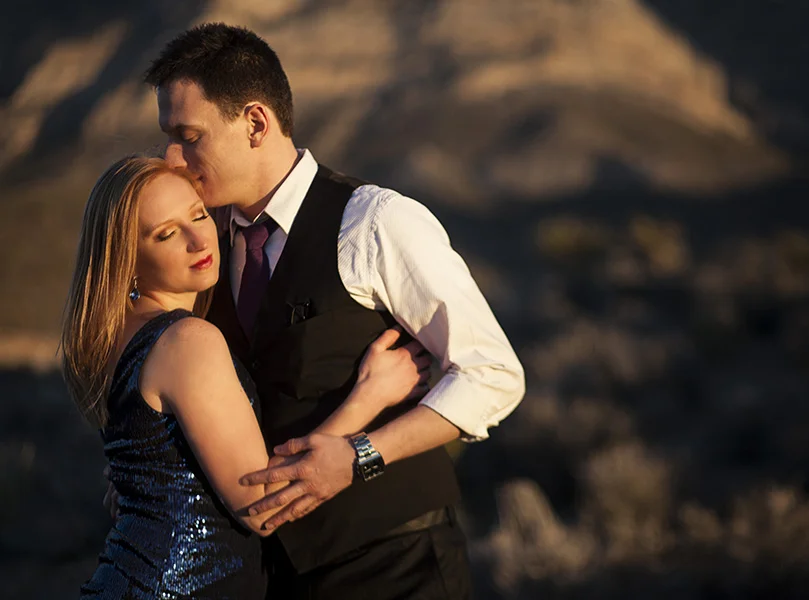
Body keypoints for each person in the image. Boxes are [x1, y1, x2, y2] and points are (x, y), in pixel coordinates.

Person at [144, 22, 526, 599]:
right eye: (167, 137)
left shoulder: (377, 222)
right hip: (276, 578)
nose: (172, 158)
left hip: (400, 568)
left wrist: (361, 455)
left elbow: (493, 374)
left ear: (254, 123)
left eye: (188, 135)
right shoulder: (204, 247)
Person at [64, 155, 433, 598]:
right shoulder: (187, 340)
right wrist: (368, 398)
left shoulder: (116, 335)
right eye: (166, 233)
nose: (199, 237)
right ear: (127, 261)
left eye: (199, 214)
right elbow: (261, 506)